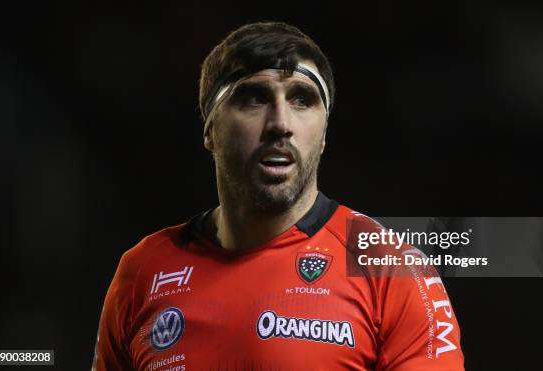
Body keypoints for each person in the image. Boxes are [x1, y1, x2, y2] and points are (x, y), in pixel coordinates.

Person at [92, 21, 464, 370]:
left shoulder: (392, 269)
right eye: (254, 98)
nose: (280, 124)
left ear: (323, 135)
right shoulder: (143, 270)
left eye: (302, 99)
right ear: (210, 130)